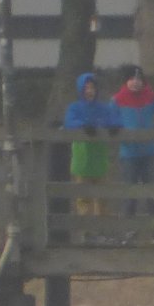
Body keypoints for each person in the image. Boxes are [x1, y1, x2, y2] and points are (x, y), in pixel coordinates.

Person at [112, 65, 154, 218]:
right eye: (132, 78)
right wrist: (116, 129)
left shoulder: (151, 97)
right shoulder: (117, 99)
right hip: (128, 153)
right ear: (126, 81)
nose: (135, 82)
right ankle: (129, 230)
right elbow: (109, 118)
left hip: (149, 152)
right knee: (130, 194)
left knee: (152, 193)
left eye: (139, 78)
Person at [62, 72, 119, 217]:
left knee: (103, 197)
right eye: (86, 88)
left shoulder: (103, 108)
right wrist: (83, 125)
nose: (89, 91)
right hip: (82, 160)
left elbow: (114, 119)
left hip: (100, 159)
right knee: (83, 197)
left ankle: (103, 230)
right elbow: (69, 122)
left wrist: (115, 126)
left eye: (92, 88)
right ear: (80, 90)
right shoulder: (74, 108)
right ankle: (86, 232)